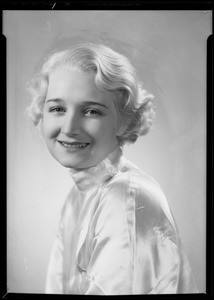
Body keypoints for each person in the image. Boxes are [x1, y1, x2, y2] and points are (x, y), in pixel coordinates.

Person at [27, 42, 198, 294]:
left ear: (124, 120)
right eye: (58, 108)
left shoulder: (125, 196)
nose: (69, 127)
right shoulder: (81, 195)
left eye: (91, 111)